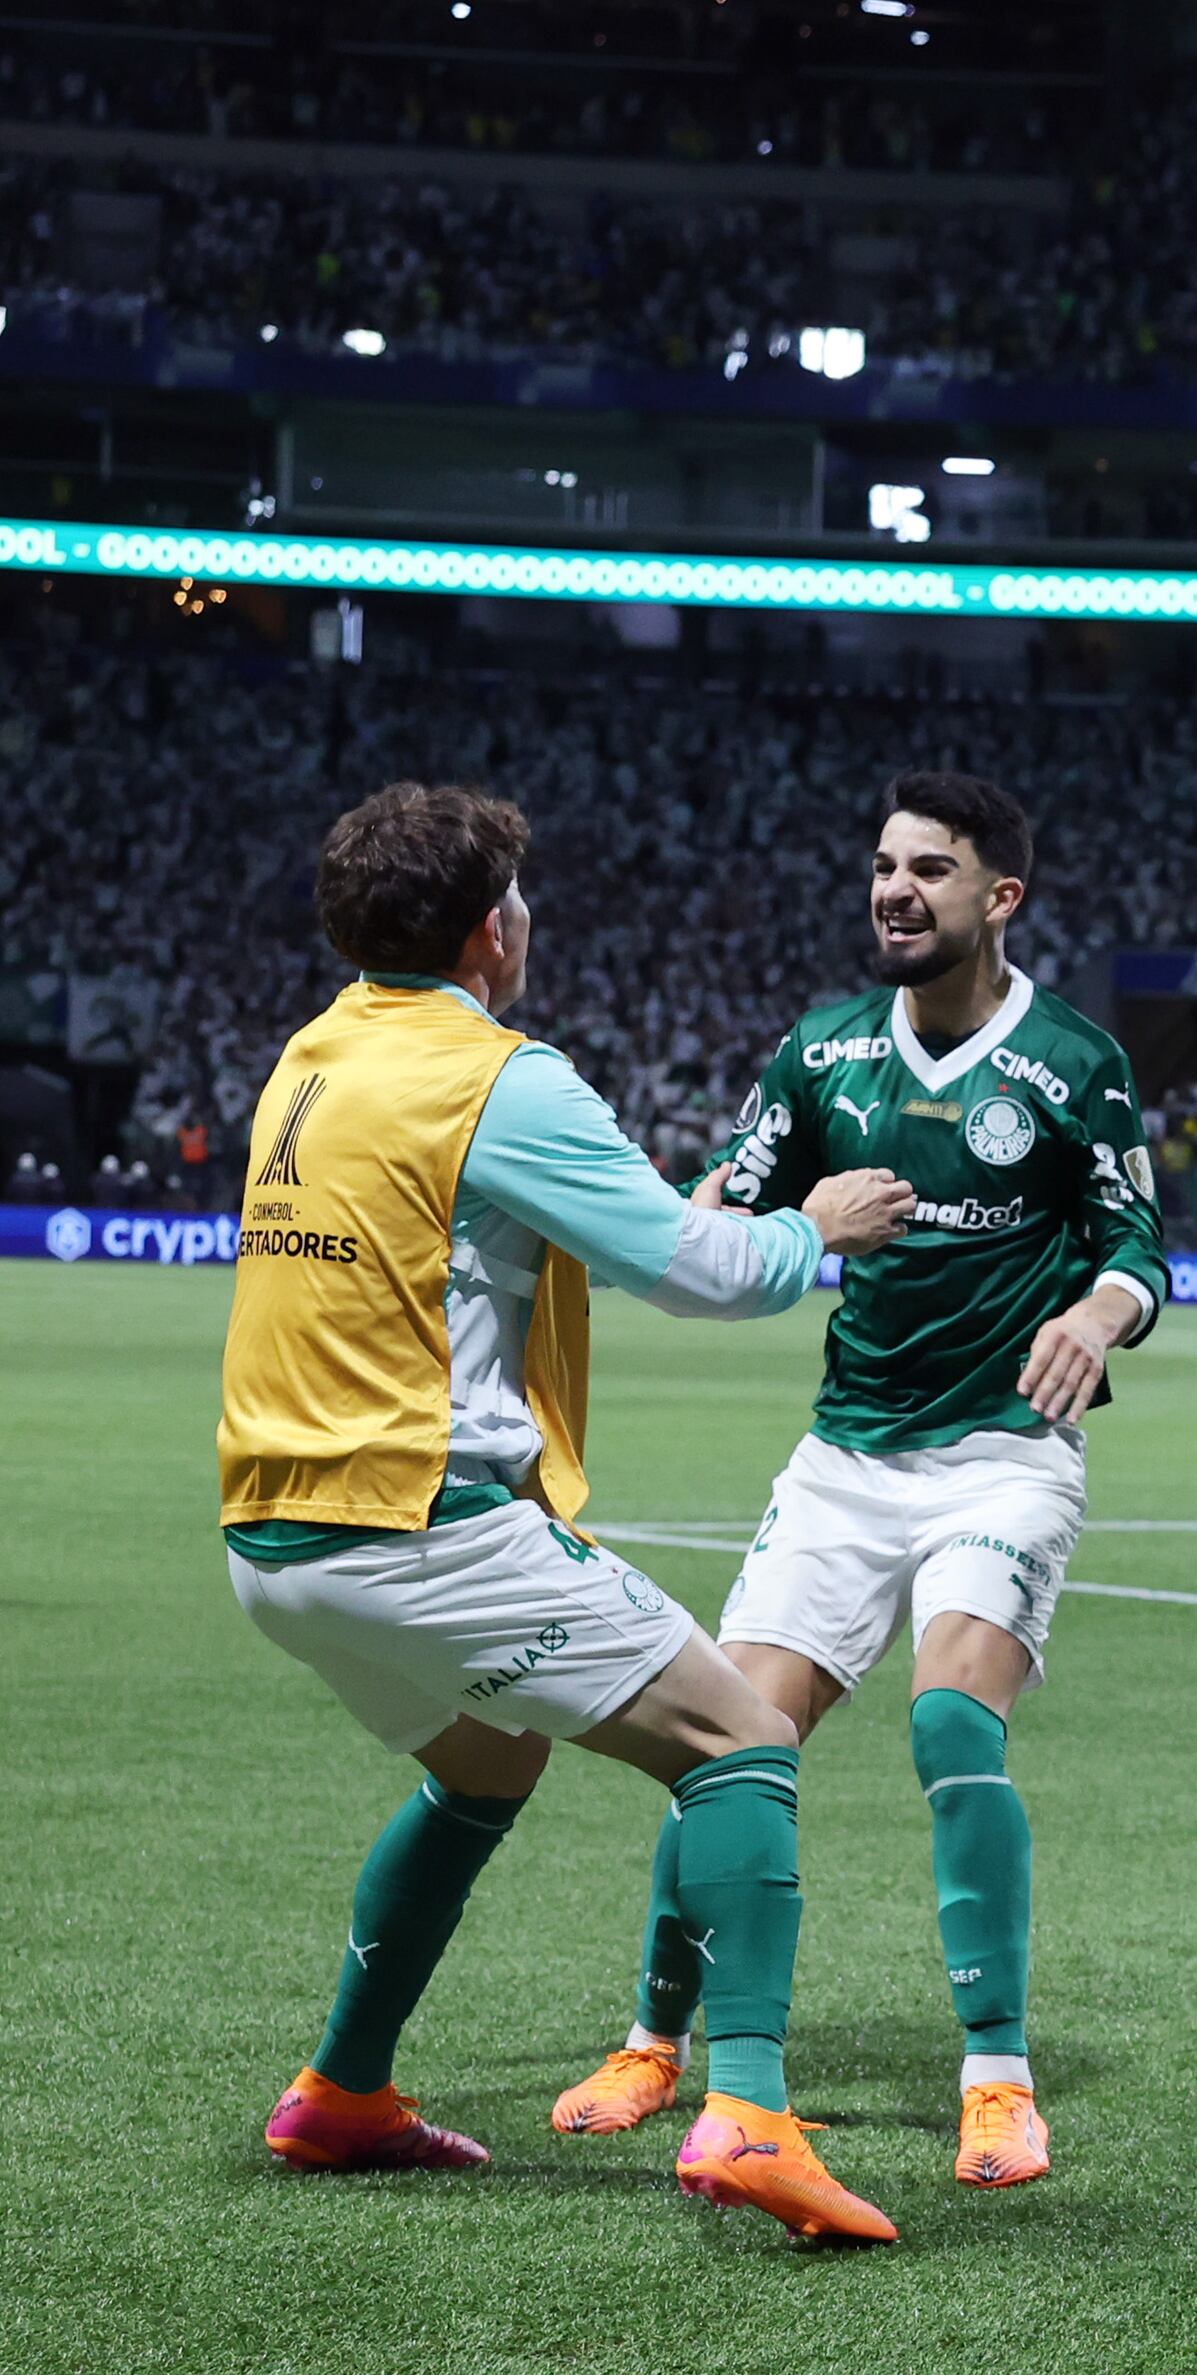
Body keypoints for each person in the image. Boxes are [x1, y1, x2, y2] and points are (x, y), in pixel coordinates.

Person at [232, 783, 911, 2245]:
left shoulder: (311, 1056)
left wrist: (692, 1205)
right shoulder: (502, 1076)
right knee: (739, 1739)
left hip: (274, 1535)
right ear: (492, 931)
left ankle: (343, 2089)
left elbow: (493, 1235)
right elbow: (706, 1277)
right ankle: (749, 2116)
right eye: (520, 901)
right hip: (420, 1525)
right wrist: (816, 1228)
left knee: (487, 1765)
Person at [546, 776, 1165, 2196]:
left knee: (954, 1721)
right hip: (844, 1459)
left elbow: (1140, 1241)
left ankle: (997, 2079)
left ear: (998, 898)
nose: (894, 889)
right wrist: (698, 1219)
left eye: (929, 870)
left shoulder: (1073, 1060)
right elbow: (727, 1208)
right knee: (730, 1744)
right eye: (883, 865)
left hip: (1004, 1457)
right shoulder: (821, 1054)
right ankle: (656, 2040)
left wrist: (1098, 1312)